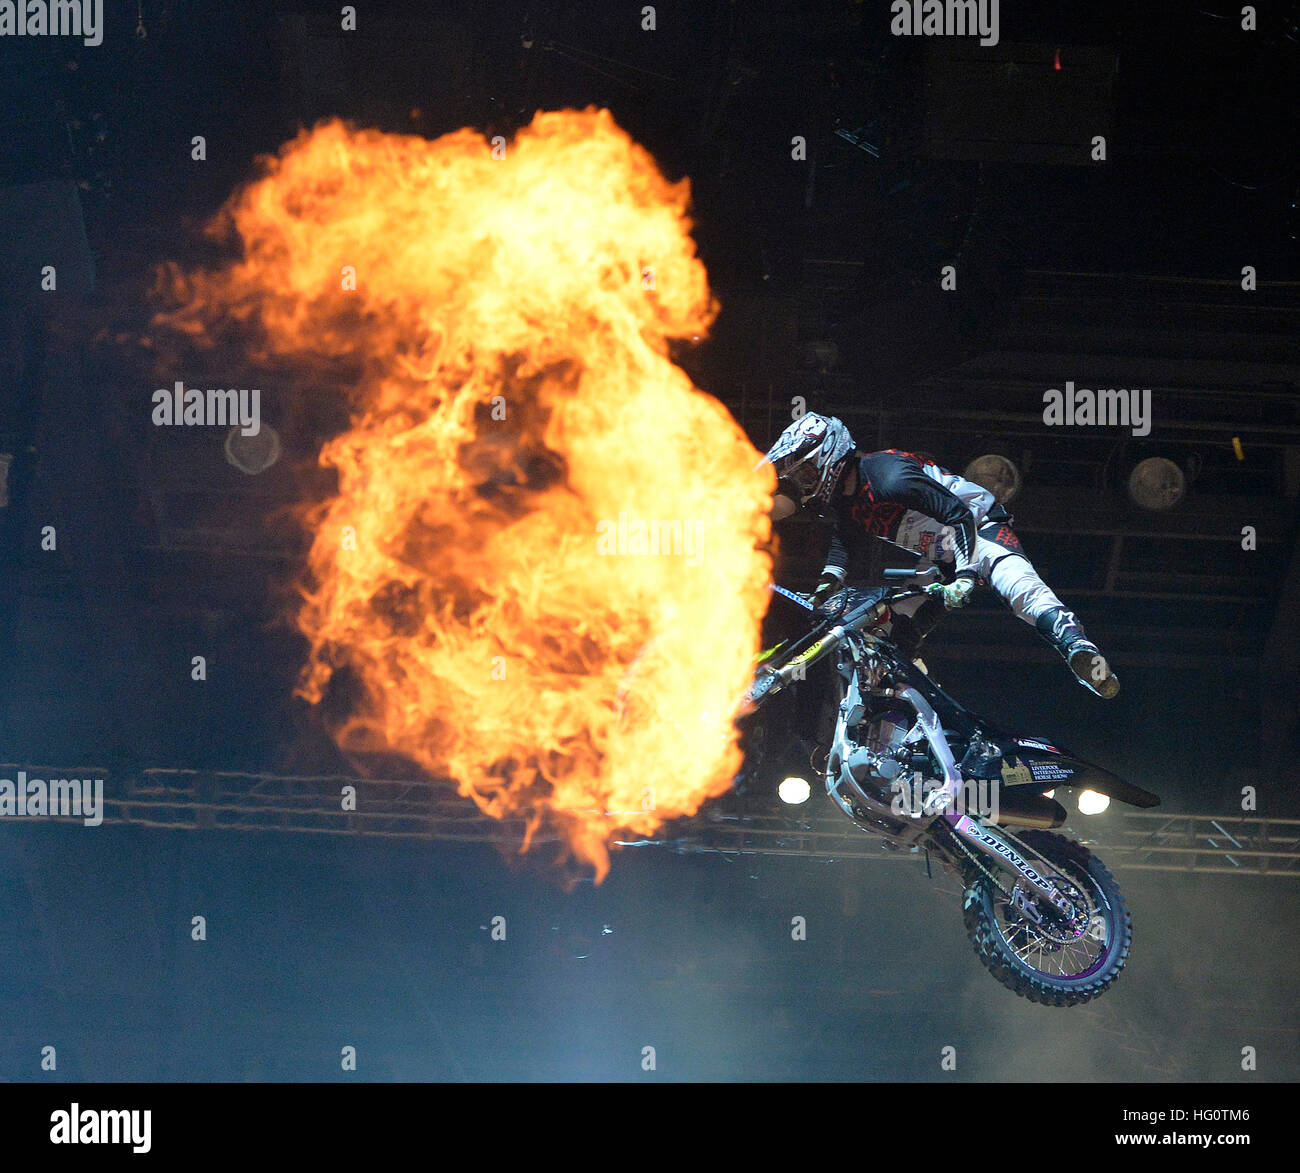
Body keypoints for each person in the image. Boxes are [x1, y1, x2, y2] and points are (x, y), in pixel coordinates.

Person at [758, 411, 1119, 699]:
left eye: (805, 471)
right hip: (941, 557)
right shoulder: (847, 500)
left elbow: (958, 514)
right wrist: (824, 589)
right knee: (891, 635)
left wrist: (965, 575)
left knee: (1019, 589)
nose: (803, 483)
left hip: (979, 529)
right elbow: (844, 546)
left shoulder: (889, 475)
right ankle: (898, 716)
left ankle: (1078, 649)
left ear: (828, 456)